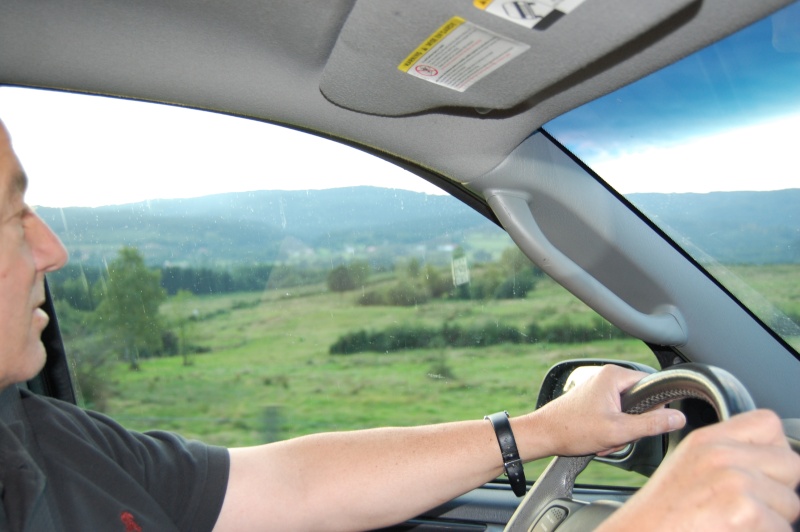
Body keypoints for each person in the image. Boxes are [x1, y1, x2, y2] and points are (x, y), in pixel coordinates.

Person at [0, 117, 798, 531]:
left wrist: (544, 430)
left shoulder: (44, 436)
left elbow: (289, 485)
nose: (53, 247)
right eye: (10, 214)